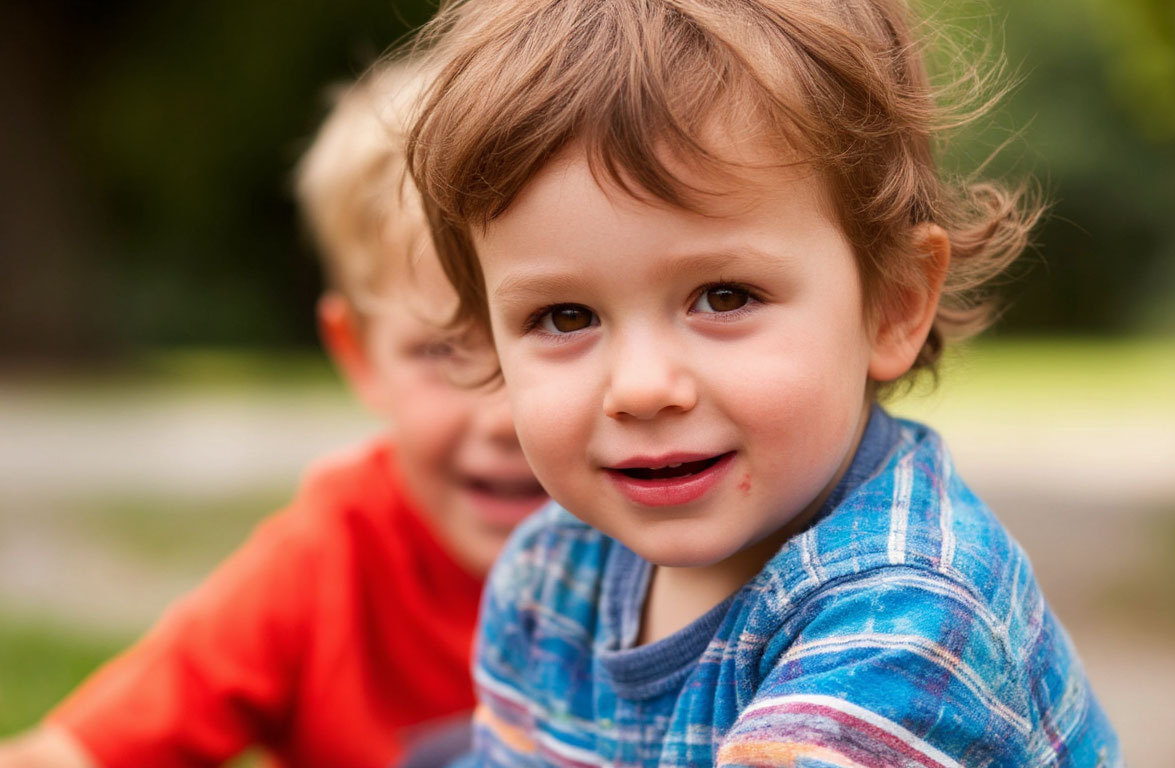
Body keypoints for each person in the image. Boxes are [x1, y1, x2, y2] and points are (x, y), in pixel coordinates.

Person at [404, 0, 1122, 765]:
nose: (642, 388)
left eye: (724, 296)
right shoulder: (552, 576)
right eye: (565, 316)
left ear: (893, 305)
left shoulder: (907, 617)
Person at [0, 61, 547, 768]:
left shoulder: (681, 552)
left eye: (554, 328)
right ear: (359, 356)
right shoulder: (326, 564)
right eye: (441, 351)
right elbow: (70, 755)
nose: (503, 417)